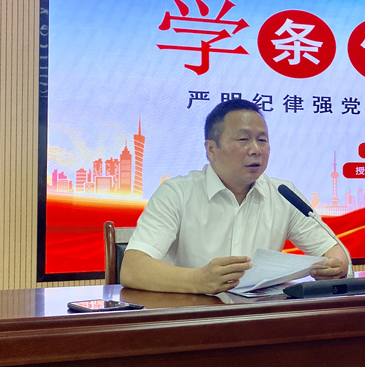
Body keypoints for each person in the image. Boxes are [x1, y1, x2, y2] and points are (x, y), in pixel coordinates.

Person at [120, 98, 349, 294]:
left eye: (262, 140)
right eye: (243, 140)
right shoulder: (176, 193)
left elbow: (334, 253)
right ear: (211, 149)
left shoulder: (283, 194)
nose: (256, 149)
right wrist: (199, 280)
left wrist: (335, 266)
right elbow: (132, 269)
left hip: (260, 319)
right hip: (190, 318)